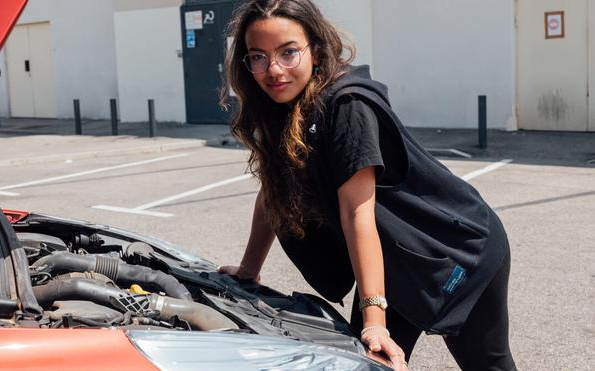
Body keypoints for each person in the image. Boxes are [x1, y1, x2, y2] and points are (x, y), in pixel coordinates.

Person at [218, 1, 516, 370]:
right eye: (258, 56)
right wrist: (249, 268)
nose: (273, 69)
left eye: (288, 52)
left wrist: (374, 319)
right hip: (393, 262)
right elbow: (272, 192)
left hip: (454, 247)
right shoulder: (282, 109)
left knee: (487, 364)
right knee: (364, 363)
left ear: (316, 47)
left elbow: (357, 212)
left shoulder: (347, 106)